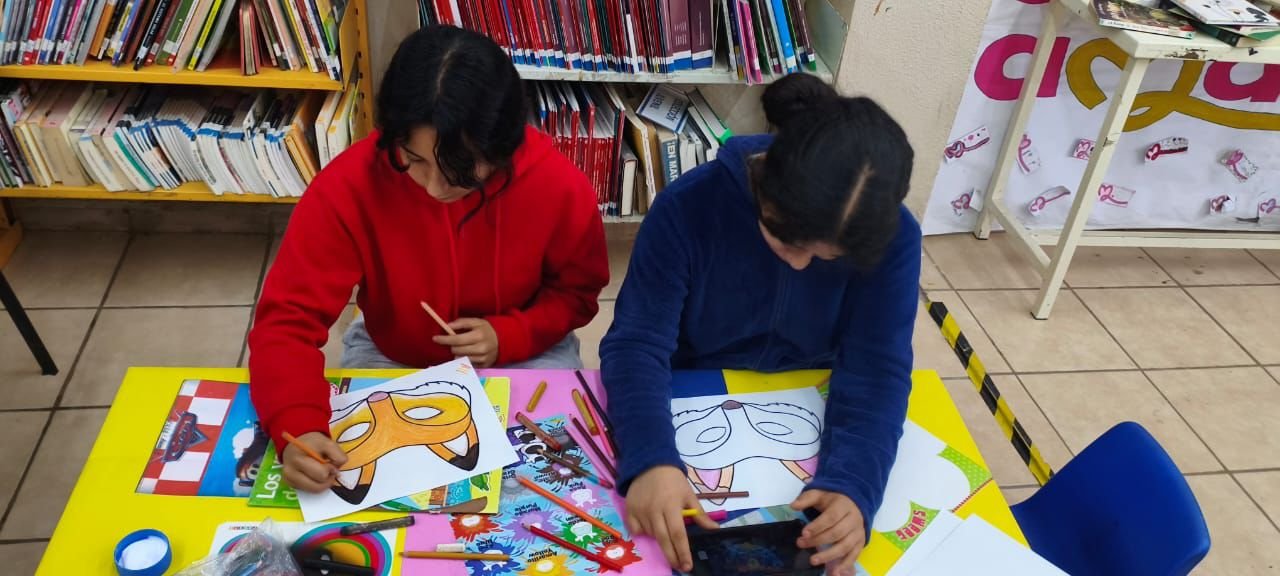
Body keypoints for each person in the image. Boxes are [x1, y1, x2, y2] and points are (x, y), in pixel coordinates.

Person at [249, 26, 609, 496]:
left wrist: (512, 334)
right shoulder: (349, 186)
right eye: (413, 159)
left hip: (530, 347)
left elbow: (577, 294)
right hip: (392, 350)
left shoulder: (558, 185)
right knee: (376, 496)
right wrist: (297, 424)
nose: (435, 189)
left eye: (462, 169)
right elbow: (287, 322)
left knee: (547, 484)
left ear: (502, 147)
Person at [600, 73, 919, 576]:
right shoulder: (688, 207)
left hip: (810, 392)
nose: (799, 264)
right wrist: (651, 457)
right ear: (764, 186)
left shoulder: (895, 238)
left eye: (825, 258)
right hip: (692, 387)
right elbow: (637, 345)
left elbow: (877, 369)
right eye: (785, 241)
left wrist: (855, 484)